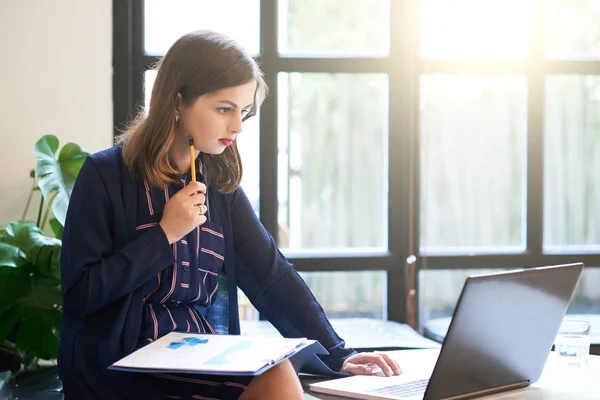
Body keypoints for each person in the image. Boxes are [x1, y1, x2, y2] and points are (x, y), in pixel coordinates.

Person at [58, 30, 401, 400]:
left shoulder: (219, 186)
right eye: (224, 109)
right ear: (177, 102)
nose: (237, 126)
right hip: (121, 365)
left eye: (244, 112)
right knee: (277, 380)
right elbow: (80, 294)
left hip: (196, 355)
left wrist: (338, 353)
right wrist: (163, 235)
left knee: (282, 372)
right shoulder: (105, 175)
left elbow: (271, 277)